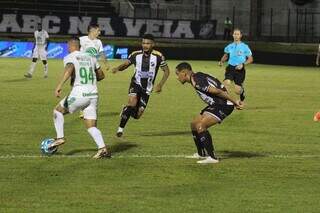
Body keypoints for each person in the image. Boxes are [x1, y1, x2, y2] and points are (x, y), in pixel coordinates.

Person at [49, 37, 111, 159]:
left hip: (79, 93)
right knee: (91, 126)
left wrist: (59, 85)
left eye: (68, 45)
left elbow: (70, 68)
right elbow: (101, 75)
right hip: (93, 94)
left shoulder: (70, 57)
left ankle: (60, 137)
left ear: (71, 45)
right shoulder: (91, 57)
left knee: (57, 111)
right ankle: (103, 149)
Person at [175, 62, 243, 164]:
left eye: (177, 74)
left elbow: (218, 91)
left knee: (200, 126)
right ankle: (201, 153)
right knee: (194, 124)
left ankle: (212, 158)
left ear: (184, 73)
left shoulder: (197, 81)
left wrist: (234, 102)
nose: (177, 77)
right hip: (215, 104)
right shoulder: (197, 77)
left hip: (223, 105)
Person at [112, 34, 170, 137]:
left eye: (148, 43)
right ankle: (120, 129)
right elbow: (126, 64)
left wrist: (160, 84)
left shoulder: (158, 56)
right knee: (132, 103)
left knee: (137, 115)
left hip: (147, 88)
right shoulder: (135, 54)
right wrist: (117, 68)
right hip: (136, 83)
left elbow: (166, 71)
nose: (145, 45)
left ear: (153, 44)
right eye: (143, 43)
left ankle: (126, 110)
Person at [78, 24, 109, 118]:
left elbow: (101, 53)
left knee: (93, 87)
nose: (99, 32)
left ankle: (90, 109)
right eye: (98, 30)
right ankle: (83, 110)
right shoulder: (81, 39)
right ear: (92, 30)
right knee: (85, 88)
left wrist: (106, 63)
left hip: (95, 66)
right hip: (84, 66)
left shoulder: (98, 42)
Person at [219, 28, 253, 108]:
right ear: (233, 35)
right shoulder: (229, 46)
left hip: (240, 70)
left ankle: (242, 92)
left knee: (237, 91)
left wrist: (243, 64)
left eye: (238, 34)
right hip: (230, 68)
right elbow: (226, 55)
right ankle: (227, 103)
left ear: (240, 36)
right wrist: (221, 61)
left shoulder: (245, 47)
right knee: (226, 83)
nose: (236, 35)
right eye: (235, 34)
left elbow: (251, 59)